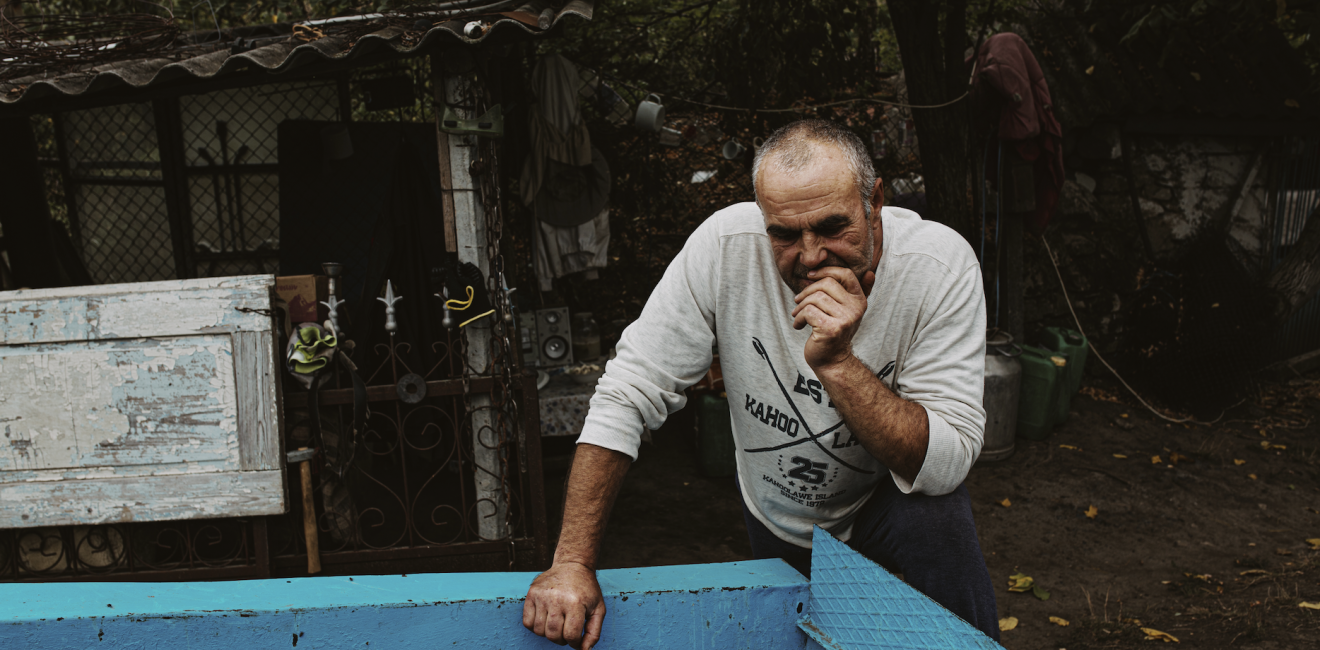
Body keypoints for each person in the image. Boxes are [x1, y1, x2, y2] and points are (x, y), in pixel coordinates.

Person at [522, 119, 998, 648]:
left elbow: (947, 461)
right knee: (804, 633)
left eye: (834, 226)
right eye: (785, 234)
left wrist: (838, 363)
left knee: (937, 516)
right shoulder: (726, 246)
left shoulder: (937, 265)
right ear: (763, 219)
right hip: (777, 514)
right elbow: (628, 391)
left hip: (880, 506)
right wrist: (570, 562)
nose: (811, 255)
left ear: (876, 200)